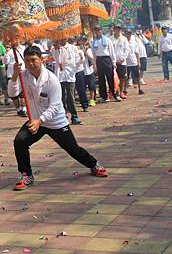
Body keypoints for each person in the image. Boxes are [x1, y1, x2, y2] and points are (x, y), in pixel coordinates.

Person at [9, 46, 108, 191]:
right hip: (35, 120)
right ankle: (26, 174)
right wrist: (15, 76)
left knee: (73, 148)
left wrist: (39, 121)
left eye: (34, 60)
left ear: (41, 60)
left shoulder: (51, 79)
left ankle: (93, 164)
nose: (30, 64)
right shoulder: (24, 76)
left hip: (55, 121)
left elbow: (55, 106)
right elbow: (12, 93)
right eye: (27, 60)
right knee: (20, 141)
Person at [51, 39, 81, 125]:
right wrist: (56, 48)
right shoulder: (55, 49)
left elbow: (77, 61)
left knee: (71, 97)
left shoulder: (73, 48)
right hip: (59, 76)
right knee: (61, 97)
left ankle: (74, 116)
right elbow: (54, 58)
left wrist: (72, 70)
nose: (62, 40)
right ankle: (63, 116)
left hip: (69, 75)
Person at [92, 26, 119, 102]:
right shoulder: (94, 42)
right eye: (96, 30)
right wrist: (94, 64)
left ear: (101, 31)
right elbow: (93, 54)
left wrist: (113, 62)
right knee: (101, 79)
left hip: (107, 59)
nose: (98, 32)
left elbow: (112, 51)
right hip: (99, 60)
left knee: (110, 78)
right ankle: (103, 96)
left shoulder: (107, 40)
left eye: (99, 30)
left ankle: (115, 95)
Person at [4, 41, 27, 116]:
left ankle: (24, 108)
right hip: (12, 74)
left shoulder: (23, 48)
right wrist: (6, 52)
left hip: (22, 72)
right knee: (14, 93)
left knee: (23, 92)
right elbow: (5, 61)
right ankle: (18, 109)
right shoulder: (9, 51)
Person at [75, 36, 96, 110]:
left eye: (84, 40)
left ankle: (92, 99)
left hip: (88, 70)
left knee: (91, 86)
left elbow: (92, 58)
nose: (83, 42)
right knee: (82, 88)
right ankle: (83, 101)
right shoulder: (76, 49)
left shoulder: (88, 49)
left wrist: (85, 53)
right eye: (81, 40)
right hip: (80, 70)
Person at [111, 25, 130, 99]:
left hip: (122, 62)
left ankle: (121, 92)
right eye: (116, 29)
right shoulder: (110, 39)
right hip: (113, 62)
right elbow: (110, 51)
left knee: (122, 78)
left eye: (118, 29)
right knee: (114, 78)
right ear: (113, 30)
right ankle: (116, 92)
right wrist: (114, 61)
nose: (117, 31)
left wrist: (122, 59)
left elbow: (126, 50)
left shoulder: (124, 39)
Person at [125, 29, 144, 94]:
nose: (128, 35)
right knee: (125, 77)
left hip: (133, 62)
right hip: (126, 63)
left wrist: (138, 62)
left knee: (137, 76)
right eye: (127, 33)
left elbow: (136, 52)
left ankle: (140, 89)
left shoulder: (134, 42)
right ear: (125, 34)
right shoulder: (123, 42)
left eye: (129, 34)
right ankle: (124, 90)